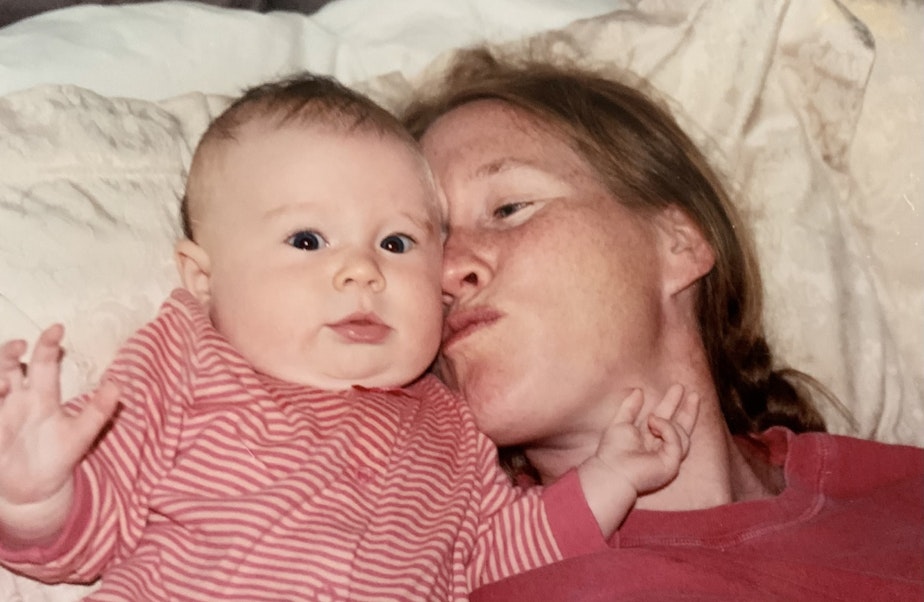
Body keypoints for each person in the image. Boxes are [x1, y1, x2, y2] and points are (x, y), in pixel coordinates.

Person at [0, 72, 699, 601]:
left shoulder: (452, 424)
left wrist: (608, 480)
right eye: (308, 239)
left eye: (396, 242)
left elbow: (493, 551)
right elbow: (99, 523)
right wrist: (34, 500)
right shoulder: (184, 357)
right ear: (203, 276)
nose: (362, 271)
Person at [401, 48, 924, 601]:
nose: (449, 270)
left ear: (678, 241)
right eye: (420, 248)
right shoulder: (440, 576)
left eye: (508, 209)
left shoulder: (902, 498)